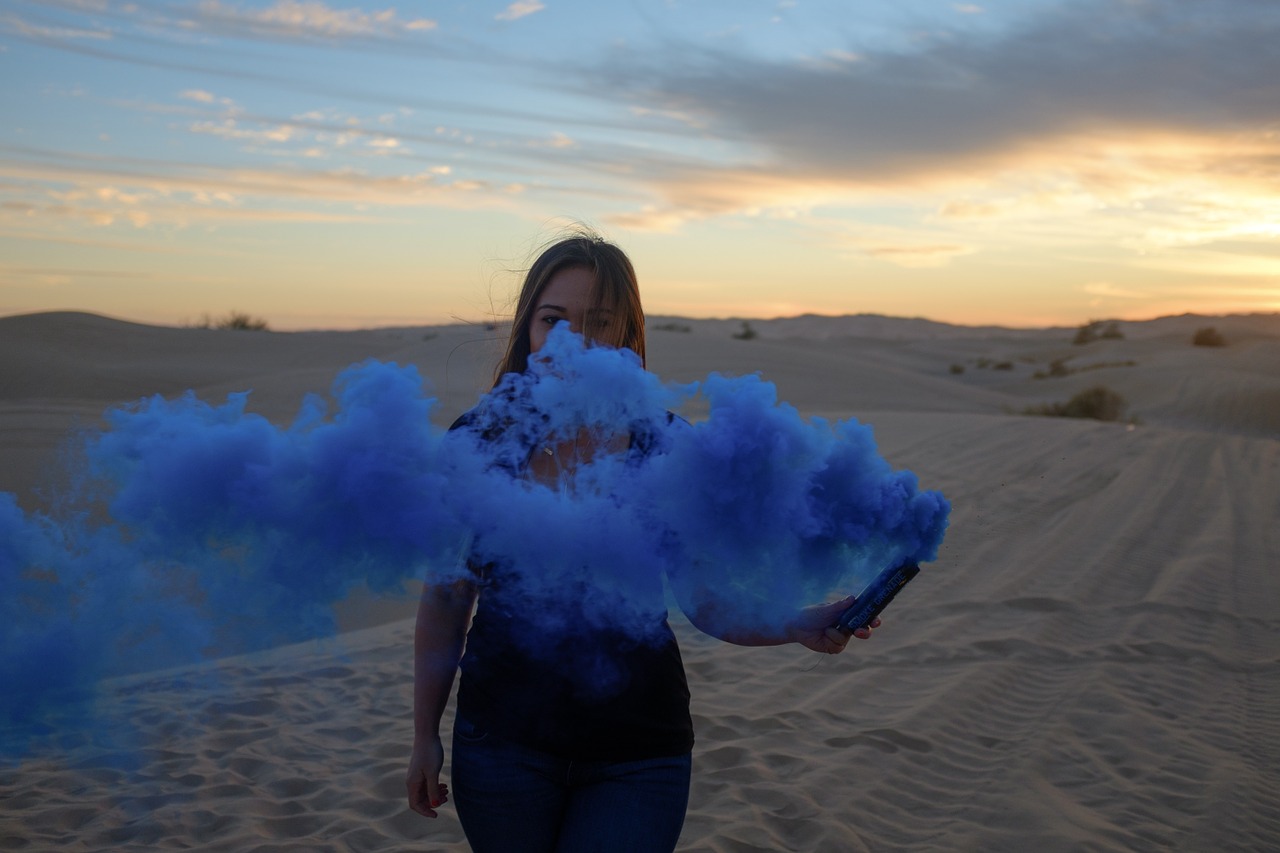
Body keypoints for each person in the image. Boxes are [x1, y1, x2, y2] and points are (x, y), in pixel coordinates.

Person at [405, 232, 878, 852]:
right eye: (555, 320)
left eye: (599, 324)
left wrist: (794, 623)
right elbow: (445, 601)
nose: (574, 342)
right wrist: (423, 736)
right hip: (501, 748)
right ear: (529, 329)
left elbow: (705, 601)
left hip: (638, 755)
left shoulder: (667, 445)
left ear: (627, 339)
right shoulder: (479, 441)